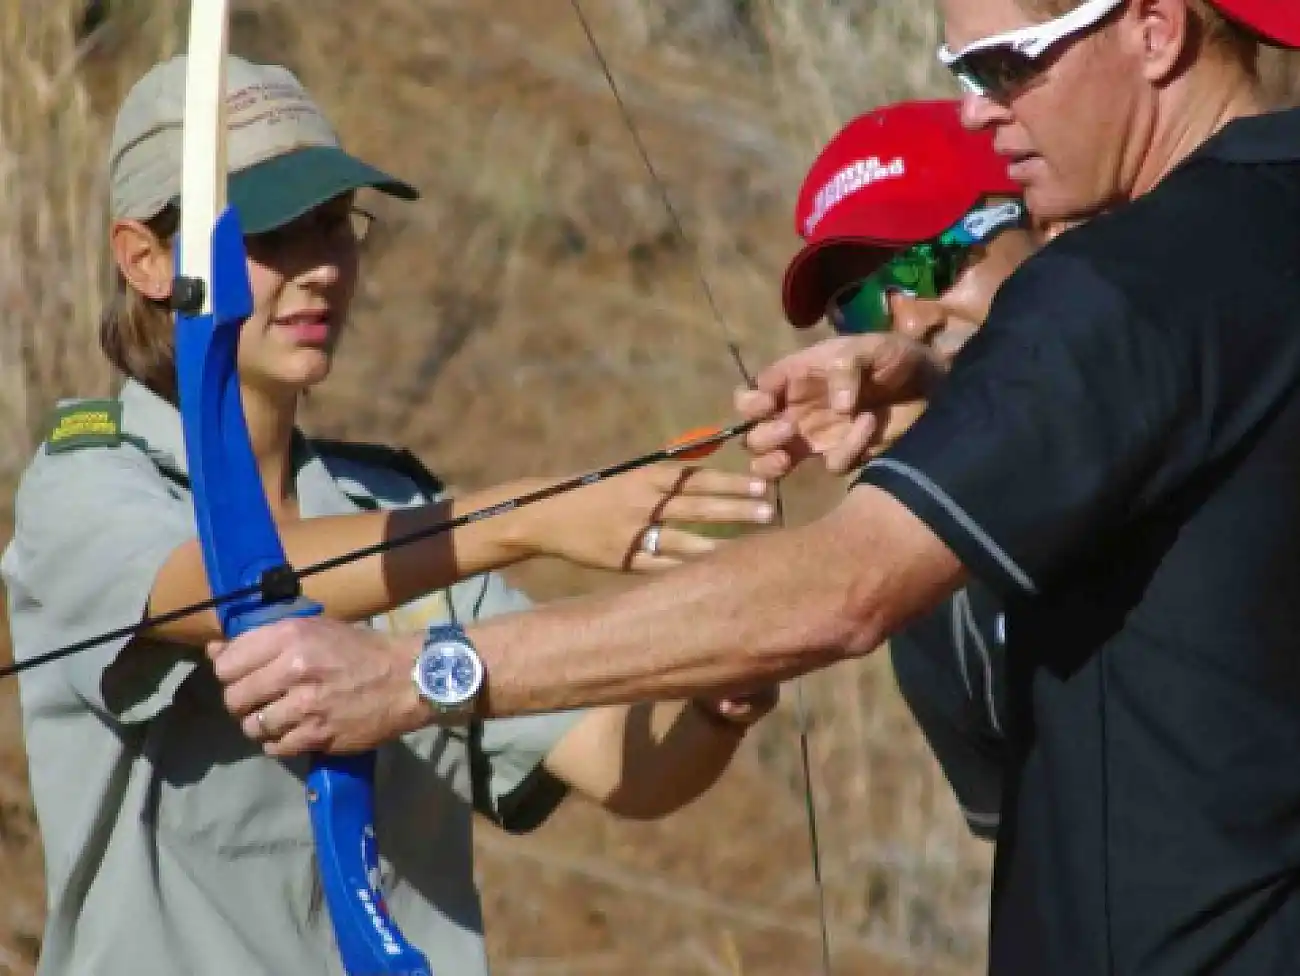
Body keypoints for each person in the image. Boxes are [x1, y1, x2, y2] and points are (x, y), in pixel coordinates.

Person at [203, 3, 1300, 972]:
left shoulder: (1115, 289)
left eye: (1005, 65)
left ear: (1155, 29)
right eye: (959, 73)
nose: (977, 111)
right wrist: (962, 385)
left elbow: (843, 588)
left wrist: (413, 676)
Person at [0, 54, 782, 976]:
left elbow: (626, 769)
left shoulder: (388, 508)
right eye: (270, 231)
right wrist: (527, 518)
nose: (322, 268)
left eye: (335, 225)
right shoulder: (86, 483)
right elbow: (241, 587)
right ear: (146, 259)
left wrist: (721, 685)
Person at [777, 98, 1041, 842]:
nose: (912, 321)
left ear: (1044, 221)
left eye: (933, 262)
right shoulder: (929, 601)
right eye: (862, 307)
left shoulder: (1217, 363)